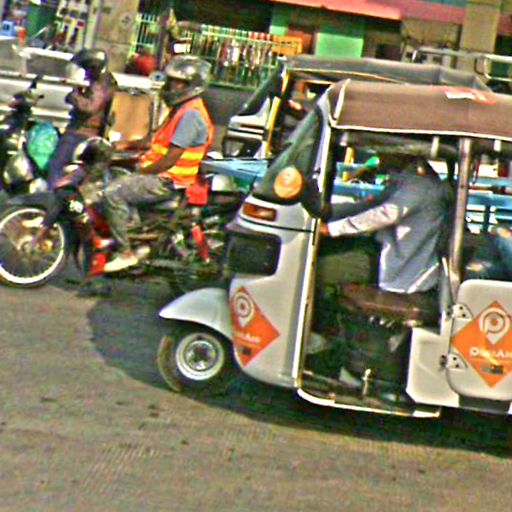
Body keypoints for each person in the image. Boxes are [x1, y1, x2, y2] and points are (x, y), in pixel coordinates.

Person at [102, 55, 214, 273]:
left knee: (112, 193)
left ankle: (125, 252)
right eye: (170, 81)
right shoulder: (181, 109)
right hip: (162, 175)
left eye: (177, 82)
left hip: (168, 180)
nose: (170, 86)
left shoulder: (191, 115)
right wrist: (120, 146)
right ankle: (135, 235)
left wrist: (141, 172)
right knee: (114, 174)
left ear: (192, 85)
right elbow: (153, 142)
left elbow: (170, 159)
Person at [48, 49, 117, 187]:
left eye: (87, 68)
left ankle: (52, 193)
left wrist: (74, 96)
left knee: (56, 165)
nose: (86, 72)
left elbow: (90, 107)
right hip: (85, 133)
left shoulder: (101, 83)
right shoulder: (103, 81)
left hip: (80, 133)